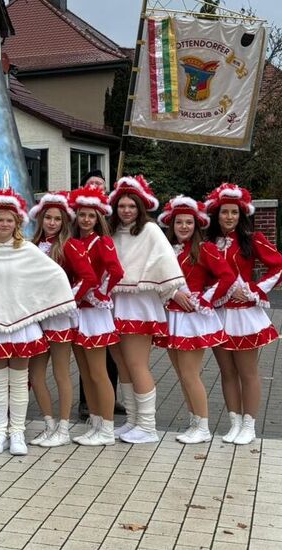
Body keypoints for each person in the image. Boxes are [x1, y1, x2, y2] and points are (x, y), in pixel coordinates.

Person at [0, 188, 76, 456]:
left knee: (19, 378)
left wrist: (42, 308)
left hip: (22, 325)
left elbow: (55, 276)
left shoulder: (28, 251)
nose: (4, 224)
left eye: (9, 220)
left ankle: (18, 433)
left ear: (17, 223)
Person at [205, 183, 282, 445]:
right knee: (226, 372)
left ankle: (249, 425)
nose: (229, 217)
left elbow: (281, 267)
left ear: (241, 216)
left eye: (234, 213)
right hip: (218, 313)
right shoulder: (207, 243)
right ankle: (234, 423)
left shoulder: (253, 240)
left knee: (247, 372)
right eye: (224, 212)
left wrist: (253, 290)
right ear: (216, 215)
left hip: (243, 316)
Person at [107, 175, 185, 444]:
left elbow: (167, 264)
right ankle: (132, 420)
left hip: (139, 304)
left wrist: (172, 292)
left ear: (140, 207)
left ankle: (148, 426)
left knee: (136, 363)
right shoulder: (113, 232)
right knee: (122, 364)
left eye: (131, 206)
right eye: (121, 206)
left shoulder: (150, 231)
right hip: (116, 303)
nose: (126, 210)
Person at [157, 196, 236, 444]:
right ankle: (194, 421)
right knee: (182, 374)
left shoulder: (205, 248)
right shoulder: (166, 250)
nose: (183, 227)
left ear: (196, 224)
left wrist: (203, 299)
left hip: (192, 320)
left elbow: (227, 277)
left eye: (188, 223)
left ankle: (203, 426)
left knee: (191, 374)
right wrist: (173, 293)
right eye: (179, 222)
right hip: (172, 317)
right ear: (171, 225)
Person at [26, 192, 99, 447]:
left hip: (58, 319)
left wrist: (67, 301)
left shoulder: (70, 245)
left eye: (57, 218)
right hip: (36, 318)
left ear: (64, 221)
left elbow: (89, 278)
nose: (53, 222)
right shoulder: (32, 245)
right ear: (41, 219)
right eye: (48, 217)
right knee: (35, 374)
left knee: (61, 373)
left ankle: (64, 428)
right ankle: (48, 425)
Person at [67, 184, 124, 446]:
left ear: (98, 217)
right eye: (82, 215)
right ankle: (96, 421)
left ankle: (108, 428)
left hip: (94, 315)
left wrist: (99, 293)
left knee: (99, 372)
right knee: (85, 372)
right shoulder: (73, 242)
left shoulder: (103, 241)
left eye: (91, 216)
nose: (86, 220)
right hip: (79, 312)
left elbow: (116, 271)